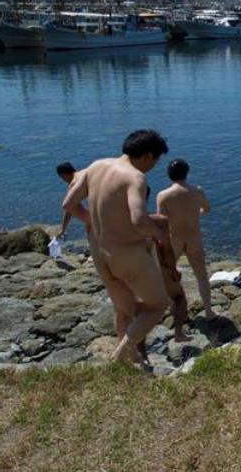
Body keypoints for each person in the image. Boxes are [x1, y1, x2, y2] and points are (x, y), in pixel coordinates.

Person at [62, 129, 172, 366]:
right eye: (155, 161)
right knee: (157, 305)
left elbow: (69, 204)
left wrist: (92, 219)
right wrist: (160, 233)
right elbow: (139, 221)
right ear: (147, 156)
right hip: (127, 253)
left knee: (124, 310)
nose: (153, 167)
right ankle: (121, 353)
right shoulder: (135, 178)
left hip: (100, 252)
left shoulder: (96, 166)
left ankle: (128, 363)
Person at [156, 158, 215, 321]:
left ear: (169, 175)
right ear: (186, 173)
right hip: (194, 238)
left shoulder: (163, 195)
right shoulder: (197, 191)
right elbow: (207, 209)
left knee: (168, 275)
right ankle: (209, 311)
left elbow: (162, 221)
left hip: (175, 240)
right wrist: (195, 214)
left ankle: (173, 309)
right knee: (202, 276)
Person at [55, 162, 80, 239]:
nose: (64, 180)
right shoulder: (83, 174)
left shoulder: (74, 183)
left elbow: (68, 207)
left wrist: (63, 229)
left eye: (62, 178)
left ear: (64, 175)